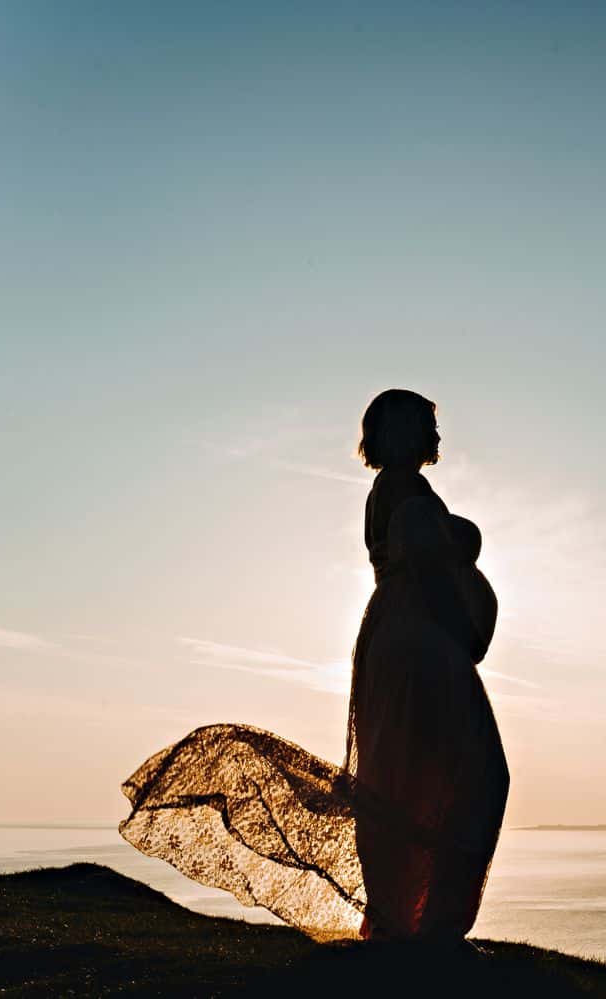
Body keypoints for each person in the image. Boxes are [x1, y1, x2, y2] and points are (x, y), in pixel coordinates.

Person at [119, 389, 508, 945]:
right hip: (420, 639)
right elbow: (426, 567)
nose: (437, 436)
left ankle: (414, 920)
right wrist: (465, 633)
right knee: (471, 772)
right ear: (397, 432)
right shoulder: (405, 493)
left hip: (401, 636)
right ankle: (427, 925)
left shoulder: (396, 492)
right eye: (428, 424)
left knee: (416, 771)